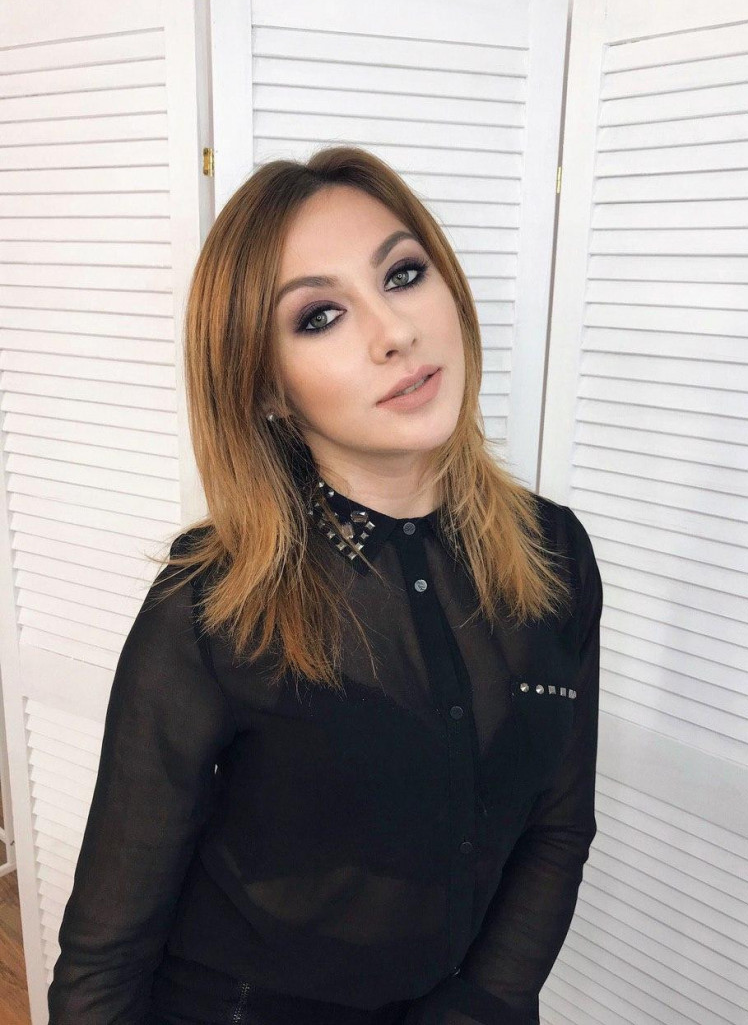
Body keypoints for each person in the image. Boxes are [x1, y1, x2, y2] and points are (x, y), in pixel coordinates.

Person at [47, 146, 603, 1025]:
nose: (395, 332)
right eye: (320, 316)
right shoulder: (211, 606)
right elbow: (105, 953)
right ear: (268, 388)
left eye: (404, 274)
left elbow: (557, 828)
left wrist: (483, 1006)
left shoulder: (556, 553)